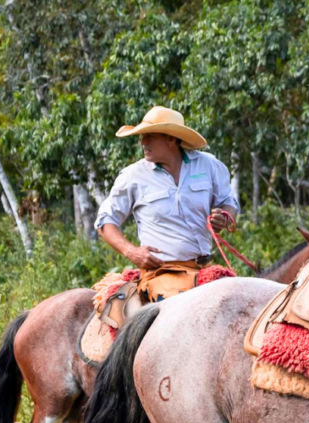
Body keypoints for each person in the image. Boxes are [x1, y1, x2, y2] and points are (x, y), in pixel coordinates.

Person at [95, 106, 239, 303]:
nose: (143, 142)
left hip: (205, 270)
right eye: (142, 137)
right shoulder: (133, 176)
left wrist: (224, 216)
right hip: (161, 274)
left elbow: (229, 202)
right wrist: (132, 252)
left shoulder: (209, 165)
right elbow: (105, 222)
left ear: (171, 139)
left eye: (149, 136)